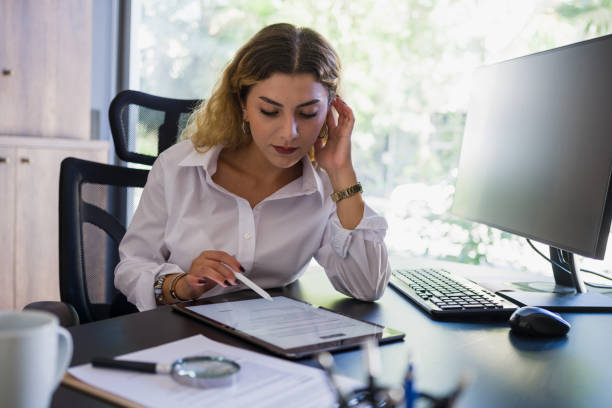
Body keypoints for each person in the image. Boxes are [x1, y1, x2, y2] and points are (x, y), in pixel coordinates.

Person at [114, 23, 391, 311]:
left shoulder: (326, 187)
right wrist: (180, 285)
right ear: (243, 105)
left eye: (308, 113)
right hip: (182, 335)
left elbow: (368, 286)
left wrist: (341, 172)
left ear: (330, 110)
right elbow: (132, 266)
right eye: (269, 111)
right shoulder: (177, 168)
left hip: (273, 341)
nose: (289, 132)